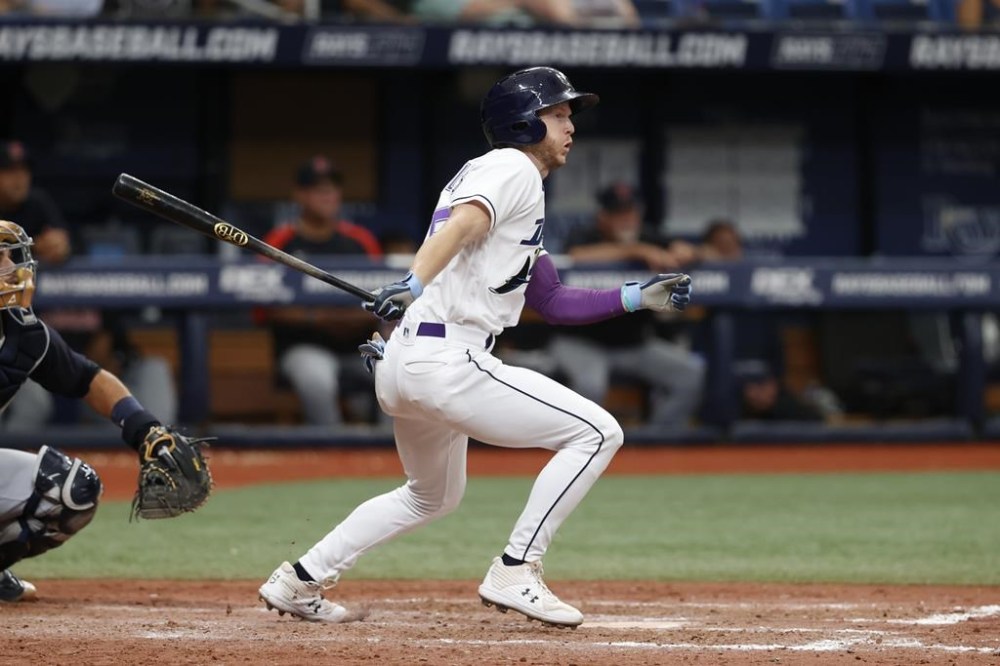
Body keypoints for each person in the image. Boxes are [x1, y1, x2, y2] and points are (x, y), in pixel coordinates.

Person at [258, 67, 692, 627]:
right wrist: (413, 283)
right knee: (598, 432)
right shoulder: (512, 168)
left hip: (409, 358)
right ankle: (517, 567)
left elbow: (553, 300)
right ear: (523, 123)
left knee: (429, 496)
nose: (569, 126)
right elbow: (464, 225)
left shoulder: (507, 183)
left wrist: (636, 297)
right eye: (558, 114)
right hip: (447, 358)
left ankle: (300, 578)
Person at [0, 220, 208, 602]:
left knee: (70, 491)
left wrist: (145, 430)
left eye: (11, 254)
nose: (13, 266)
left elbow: (88, 378)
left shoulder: (21, 333)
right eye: (1, 257)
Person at [0, 140, 177, 431]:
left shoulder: (39, 206)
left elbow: (68, 244)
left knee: (149, 373)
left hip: (54, 352)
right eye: (8, 171)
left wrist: (61, 247)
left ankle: (160, 447)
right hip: (19, 358)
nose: (19, 178)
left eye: (23, 170)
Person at [548, 182, 706, 428]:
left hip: (633, 344)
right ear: (603, 216)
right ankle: (582, 448)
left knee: (691, 374)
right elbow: (577, 256)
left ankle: (654, 444)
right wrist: (637, 251)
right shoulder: (586, 236)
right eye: (618, 213)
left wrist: (687, 252)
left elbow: (689, 251)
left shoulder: (650, 236)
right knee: (591, 385)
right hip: (580, 341)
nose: (626, 220)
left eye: (631, 212)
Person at [257, 156, 383, 426]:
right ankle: (332, 451)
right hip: (304, 346)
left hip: (358, 346)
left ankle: (389, 456)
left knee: (396, 375)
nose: (328, 195)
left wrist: (333, 318)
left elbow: (381, 301)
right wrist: (320, 319)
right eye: (318, 188)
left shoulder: (360, 241)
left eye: (333, 187)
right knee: (316, 377)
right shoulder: (279, 242)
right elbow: (265, 310)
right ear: (300, 195)